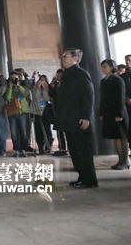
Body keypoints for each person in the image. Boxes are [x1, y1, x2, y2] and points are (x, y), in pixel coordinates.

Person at [50, 48, 98, 189]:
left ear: (75, 59)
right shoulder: (66, 75)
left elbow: (88, 96)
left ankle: (90, 180)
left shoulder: (81, 73)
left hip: (79, 120)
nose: (63, 58)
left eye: (65, 56)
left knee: (83, 152)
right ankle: (82, 176)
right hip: (69, 120)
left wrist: (86, 116)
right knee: (75, 152)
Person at [99, 59, 129, 169]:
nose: (103, 69)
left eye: (105, 66)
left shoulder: (117, 80)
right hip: (109, 113)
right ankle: (120, 160)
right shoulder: (104, 81)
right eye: (102, 66)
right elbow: (102, 99)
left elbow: (121, 98)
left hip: (118, 113)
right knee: (116, 137)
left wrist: (119, 114)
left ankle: (125, 161)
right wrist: (101, 112)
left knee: (123, 137)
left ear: (111, 67)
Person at [4, 71, 30, 157]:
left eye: (15, 78)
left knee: (24, 132)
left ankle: (24, 149)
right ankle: (17, 149)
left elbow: (24, 94)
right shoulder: (8, 87)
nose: (13, 80)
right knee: (14, 133)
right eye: (11, 78)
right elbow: (7, 97)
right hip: (12, 113)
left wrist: (18, 85)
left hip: (22, 112)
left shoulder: (22, 85)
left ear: (18, 78)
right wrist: (10, 87)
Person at [29, 75, 51, 153]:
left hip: (45, 111)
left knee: (46, 129)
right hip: (36, 111)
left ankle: (47, 145)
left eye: (44, 81)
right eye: (41, 80)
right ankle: (40, 146)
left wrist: (45, 89)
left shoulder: (48, 88)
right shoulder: (34, 88)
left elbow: (46, 98)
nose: (42, 82)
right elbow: (36, 96)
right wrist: (38, 87)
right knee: (38, 130)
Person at [50, 69, 68, 156]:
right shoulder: (55, 84)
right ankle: (62, 147)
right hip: (57, 110)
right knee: (59, 130)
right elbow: (51, 95)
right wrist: (51, 87)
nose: (58, 77)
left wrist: (56, 87)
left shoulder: (66, 84)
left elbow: (62, 94)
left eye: (60, 75)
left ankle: (68, 147)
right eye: (58, 75)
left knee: (67, 131)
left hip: (65, 110)